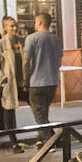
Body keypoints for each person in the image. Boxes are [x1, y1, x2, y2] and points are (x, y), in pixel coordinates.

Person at [23, 12, 63, 148]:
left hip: (36, 81)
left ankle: (49, 142)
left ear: (40, 22)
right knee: (43, 112)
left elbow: (26, 61)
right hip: (51, 81)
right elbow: (59, 59)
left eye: (35, 21)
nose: (34, 24)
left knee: (39, 115)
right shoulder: (57, 40)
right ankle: (41, 139)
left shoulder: (32, 38)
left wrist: (25, 80)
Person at [0, 16, 26, 152]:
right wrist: (1, 79)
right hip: (9, 82)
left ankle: (44, 135)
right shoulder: (1, 44)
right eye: (11, 26)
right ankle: (13, 141)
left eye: (15, 25)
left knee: (35, 105)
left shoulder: (21, 42)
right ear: (5, 28)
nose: (14, 28)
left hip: (22, 82)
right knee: (9, 111)